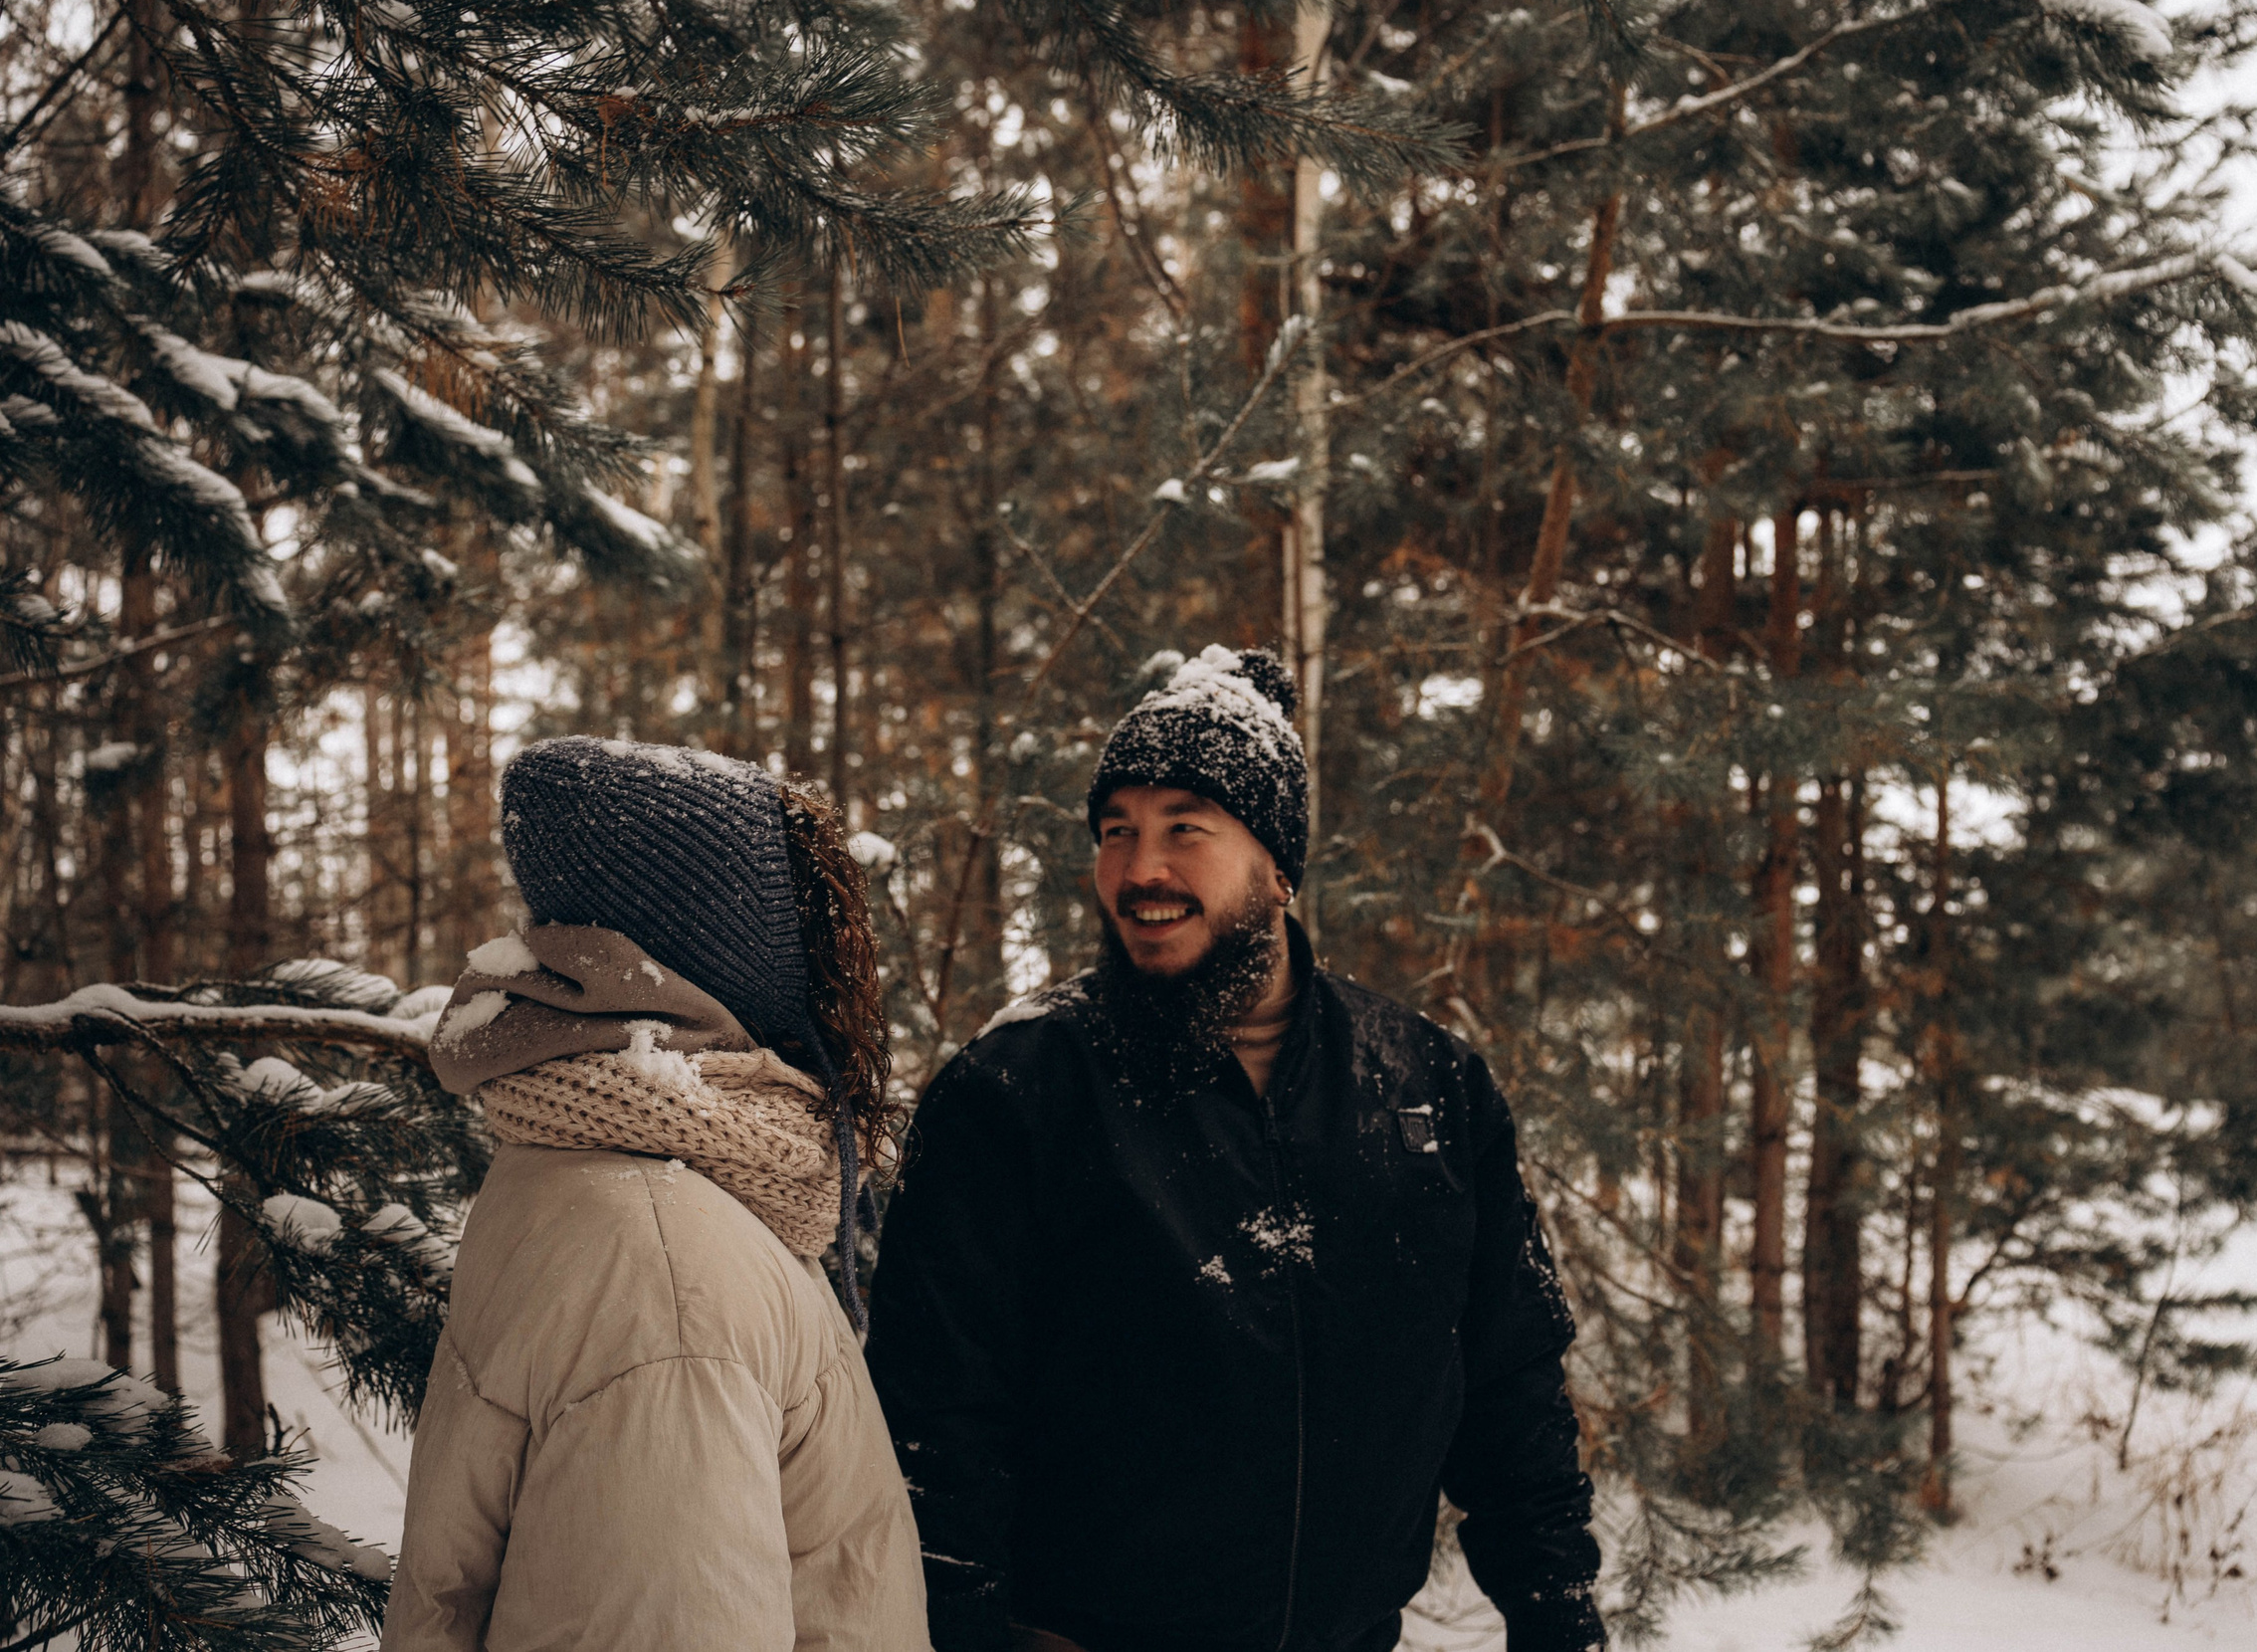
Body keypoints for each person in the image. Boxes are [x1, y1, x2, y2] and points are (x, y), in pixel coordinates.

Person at [867, 646, 1606, 1652]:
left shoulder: (1428, 1086)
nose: (1139, 869)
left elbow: (1511, 1391)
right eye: (1116, 831)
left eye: (1184, 829)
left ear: (1277, 864)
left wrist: (1558, 1615)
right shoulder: (1017, 1091)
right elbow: (933, 1430)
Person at [383, 736, 926, 1652]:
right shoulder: (668, 1274)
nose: (832, 963)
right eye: (802, 922)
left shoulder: (615, 1160)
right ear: (719, 952)